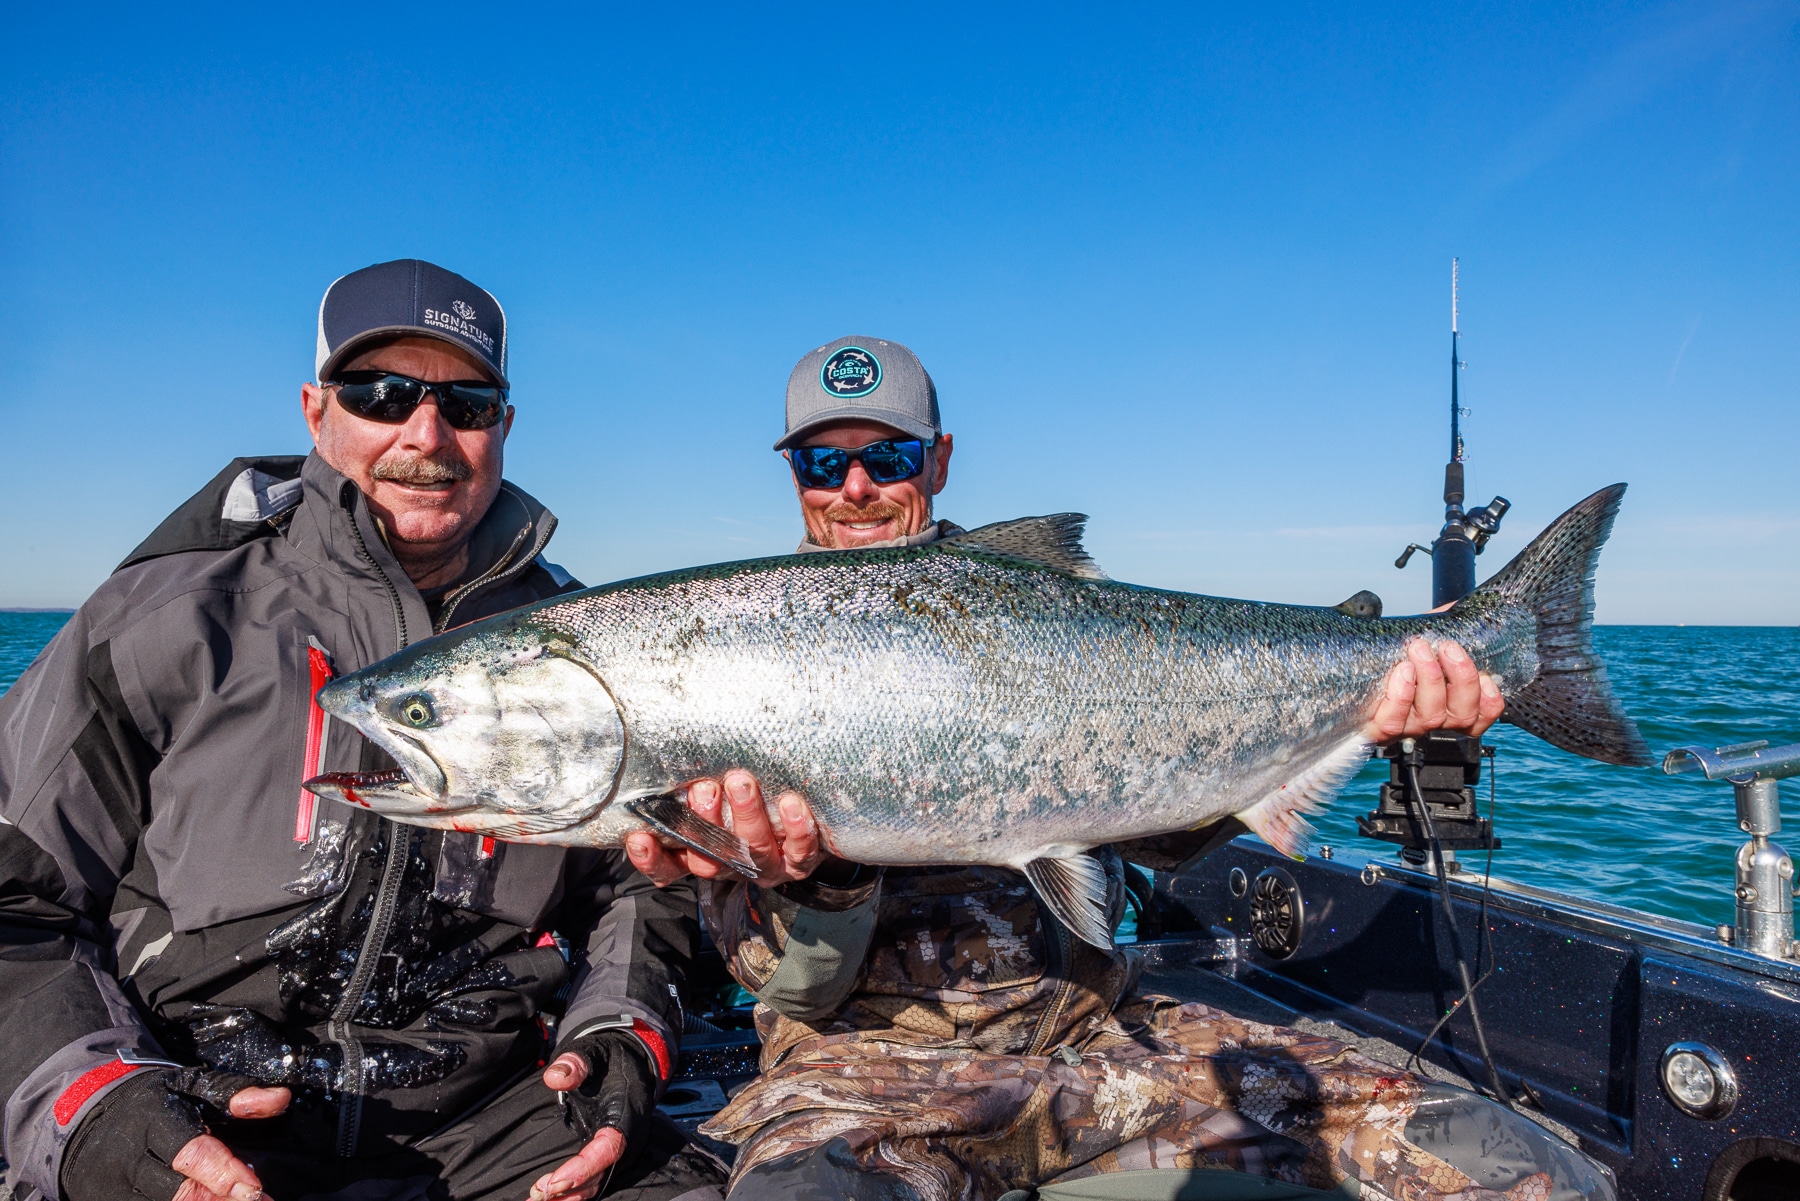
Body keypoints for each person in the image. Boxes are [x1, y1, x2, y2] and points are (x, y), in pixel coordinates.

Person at [628, 336, 1617, 1200]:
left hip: (1099, 1038)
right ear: (793, 472)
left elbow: (1172, 828)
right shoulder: (723, 666)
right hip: (862, 1071)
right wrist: (828, 873)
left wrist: (1386, 697)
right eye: (821, 462)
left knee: (1510, 1164)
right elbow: (793, 994)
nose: (854, 489)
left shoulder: (1043, 608)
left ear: (937, 459)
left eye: (886, 455)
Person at [0, 261, 726, 1201]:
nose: (426, 435)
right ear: (315, 409)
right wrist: (101, 1108)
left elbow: (645, 882)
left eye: (466, 403)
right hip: (192, 1106)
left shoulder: (583, 647)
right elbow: (18, 907)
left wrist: (620, 1037)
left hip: (501, 1122)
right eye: (380, 395)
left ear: (503, 425)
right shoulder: (158, 616)